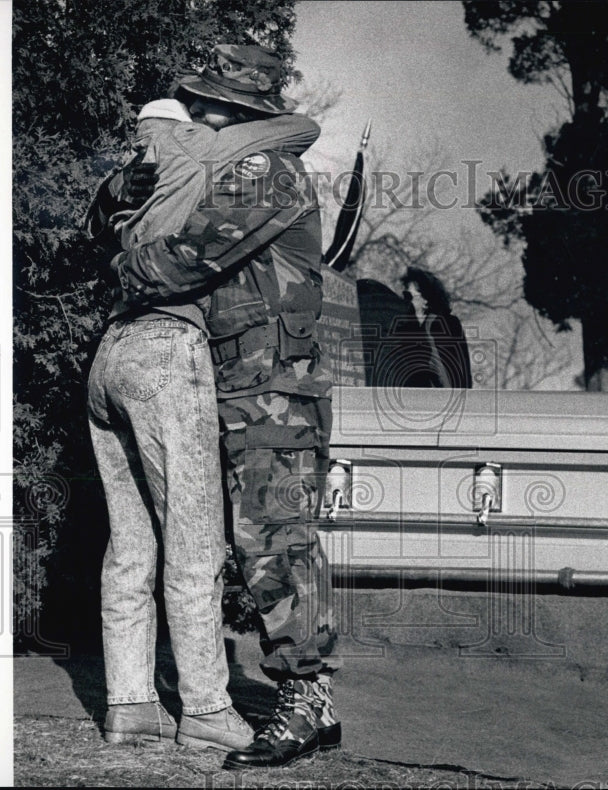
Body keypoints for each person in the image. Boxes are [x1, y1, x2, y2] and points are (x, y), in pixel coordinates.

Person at [90, 44, 340, 768]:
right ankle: (295, 698)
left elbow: (186, 259)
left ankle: (307, 699)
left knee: (277, 539)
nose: (196, 115)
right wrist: (125, 190)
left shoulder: (266, 171)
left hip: (273, 391)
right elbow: (129, 206)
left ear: (240, 109)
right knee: (243, 541)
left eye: (207, 105)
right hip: (232, 382)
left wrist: (122, 259)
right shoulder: (221, 166)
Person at [397, 265, 473, 388]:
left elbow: (461, 369)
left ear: (425, 300)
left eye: (408, 296)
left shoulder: (447, 324)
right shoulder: (405, 329)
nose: (405, 301)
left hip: (443, 398)